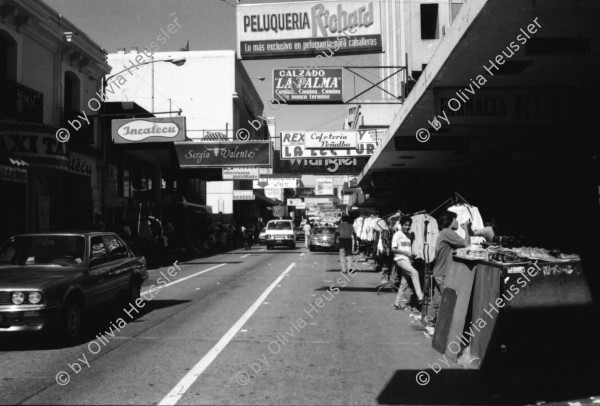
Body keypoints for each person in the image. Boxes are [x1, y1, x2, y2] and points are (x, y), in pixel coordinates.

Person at [424, 211, 471, 337]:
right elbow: (467, 244)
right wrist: (466, 229)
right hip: (444, 272)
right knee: (448, 301)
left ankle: (429, 325)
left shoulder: (444, 233)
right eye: (455, 219)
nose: (457, 222)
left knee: (437, 300)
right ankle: (444, 330)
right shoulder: (448, 232)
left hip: (439, 271)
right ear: (450, 221)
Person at [392, 216, 425, 311]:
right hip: (400, 260)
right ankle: (420, 297)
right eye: (405, 225)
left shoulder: (409, 235)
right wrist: (406, 253)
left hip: (408, 260)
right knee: (415, 273)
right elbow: (393, 249)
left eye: (409, 225)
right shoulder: (397, 235)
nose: (407, 227)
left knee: (404, 283)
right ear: (401, 225)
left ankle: (396, 304)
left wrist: (412, 255)